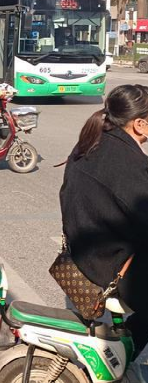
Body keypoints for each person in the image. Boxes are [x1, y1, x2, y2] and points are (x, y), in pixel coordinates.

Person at [60, 84, 148, 357]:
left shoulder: (91, 142)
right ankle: (120, 358)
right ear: (140, 124)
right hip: (108, 267)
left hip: (83, 254)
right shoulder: (128, 163)